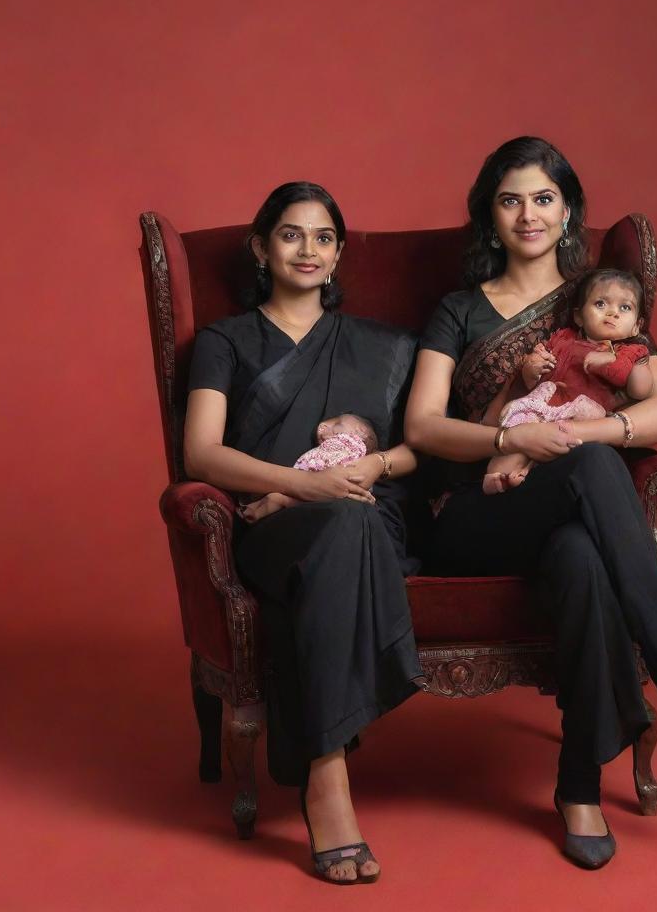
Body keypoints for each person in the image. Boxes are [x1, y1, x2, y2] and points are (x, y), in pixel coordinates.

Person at [404, 136, 657, 871]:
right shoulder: (458, 310)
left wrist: (581, 430)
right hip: (472, 515)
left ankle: (578, 787)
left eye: (544, 197)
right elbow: (423, 427)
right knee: (590, 465)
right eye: (510, 198)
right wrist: (522, 438)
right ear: (489, 216)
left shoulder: (598, 306)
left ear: (567, 212)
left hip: (568, 506)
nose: (529, 213)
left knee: (583, 559)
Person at [184, 182, 423, 884]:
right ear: (261, 247)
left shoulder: (383, 346)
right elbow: (202, 453)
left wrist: (362, 470)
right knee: (340, 522)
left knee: (353, 522)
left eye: (323, 238)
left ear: (340, 252)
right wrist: (297, 487)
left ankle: (324, 771)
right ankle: (327, 779)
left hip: (363, 512)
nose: (308, 250)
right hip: (265, 528)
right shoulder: (225, 341)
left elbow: (414, 450)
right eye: (290, 234)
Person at [484, 267, 652, 493]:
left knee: (560, 458)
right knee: (518, 438)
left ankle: (527, 475)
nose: (613, 313)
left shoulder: (630, 352)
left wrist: (609, 361)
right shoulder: (562, 339)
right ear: (579, 316)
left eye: (625, 307)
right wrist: (532, 368)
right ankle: (497, 478)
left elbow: (641, 390)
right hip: (545, 408)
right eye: (601, 304)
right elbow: (532, 379)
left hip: (581, 422)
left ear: (636, 326)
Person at [239, 412, 381, 523]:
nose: (322, 427)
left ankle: (278, 501)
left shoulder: (353, 444)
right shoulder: (335, 450)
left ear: (361, 431)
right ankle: (280, 501)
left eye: (336, 424)